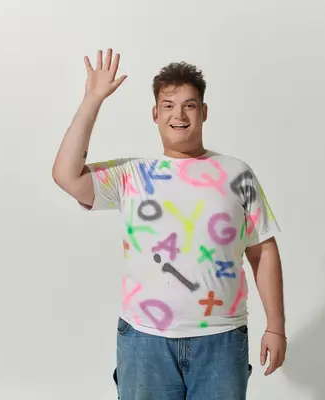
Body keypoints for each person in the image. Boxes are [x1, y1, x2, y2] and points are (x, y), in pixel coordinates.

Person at [52, 48, 287, 400]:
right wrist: (92, 100)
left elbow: (262, 251)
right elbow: (66, 175)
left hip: (221, 339)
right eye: (168, 105)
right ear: (155, 114)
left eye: (190, 105)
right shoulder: (132, 174)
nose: (179, 115)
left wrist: (277, 327)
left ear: (204, 112)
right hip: (144, 340)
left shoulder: (238, 174)